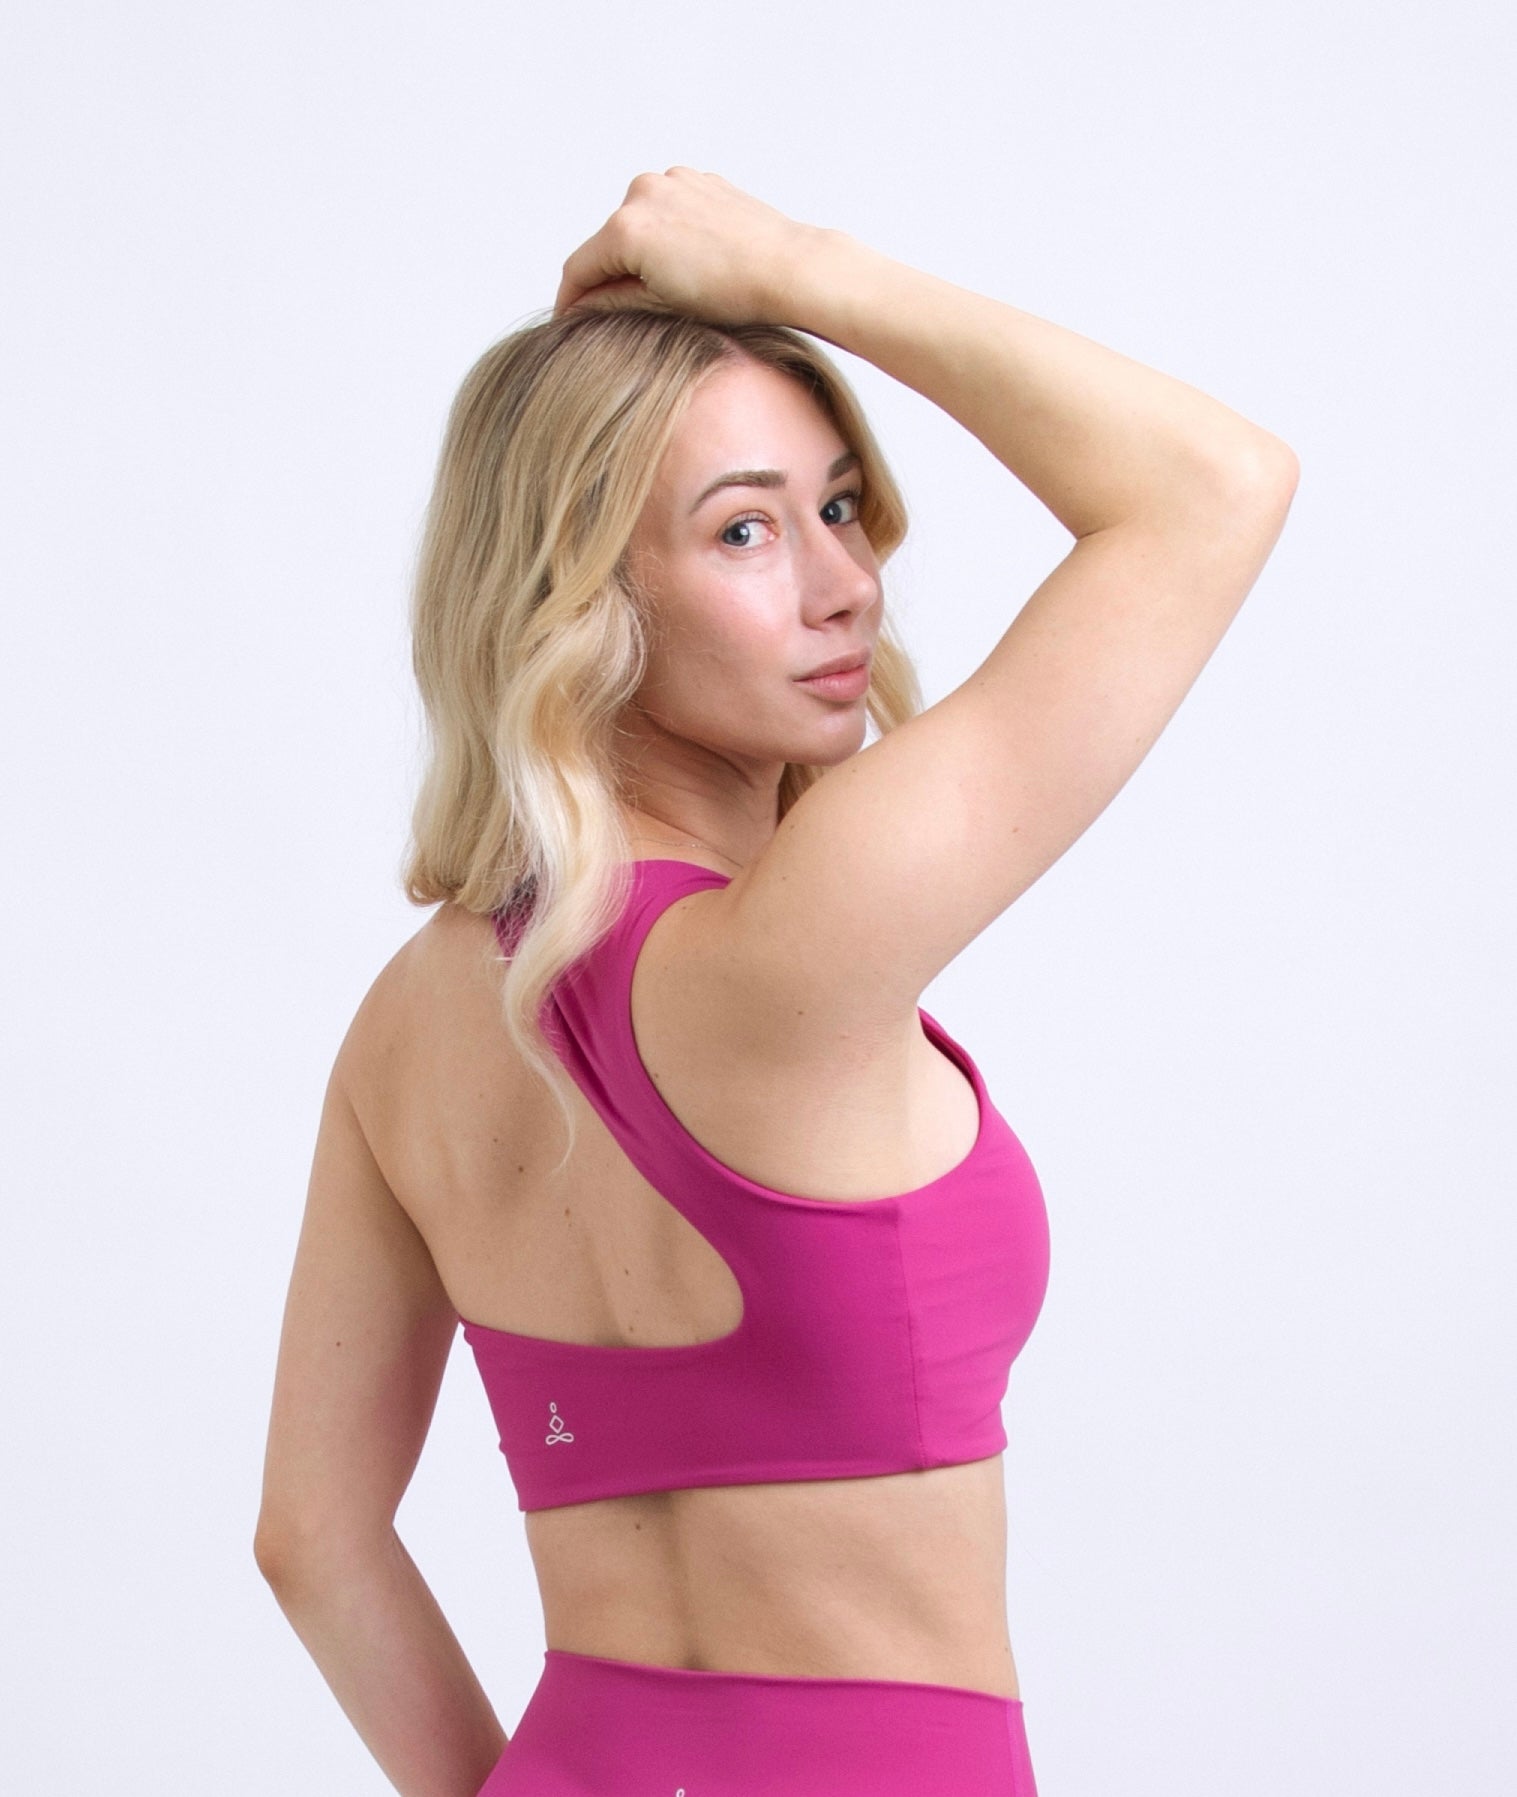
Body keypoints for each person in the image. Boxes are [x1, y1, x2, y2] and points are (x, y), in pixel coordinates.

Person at [254, 167, 1298, 1796]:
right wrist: (795, 264)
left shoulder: (408, 1020)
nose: (841, 581)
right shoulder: (785, 946)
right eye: (742, 528)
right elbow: (1211, 485)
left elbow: (312, 1535)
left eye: (840, 505)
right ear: (576, 590)